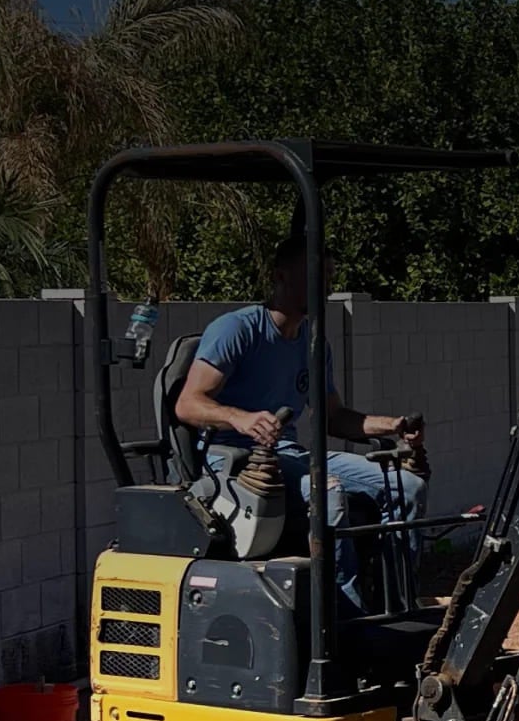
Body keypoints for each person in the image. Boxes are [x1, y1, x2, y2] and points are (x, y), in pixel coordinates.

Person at [172, 236, 426, 607]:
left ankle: (395, 604)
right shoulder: (237, 330)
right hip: (234, 464)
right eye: (316, 275)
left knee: (408, 487)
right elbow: (187, 404)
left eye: (329, 276)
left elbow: (334, 418)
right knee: (330, 492)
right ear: (281, 277)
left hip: (291, 456)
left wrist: (395, 426)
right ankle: (343, 618)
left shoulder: (314, 344)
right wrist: (240, 418)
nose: (325, 285)